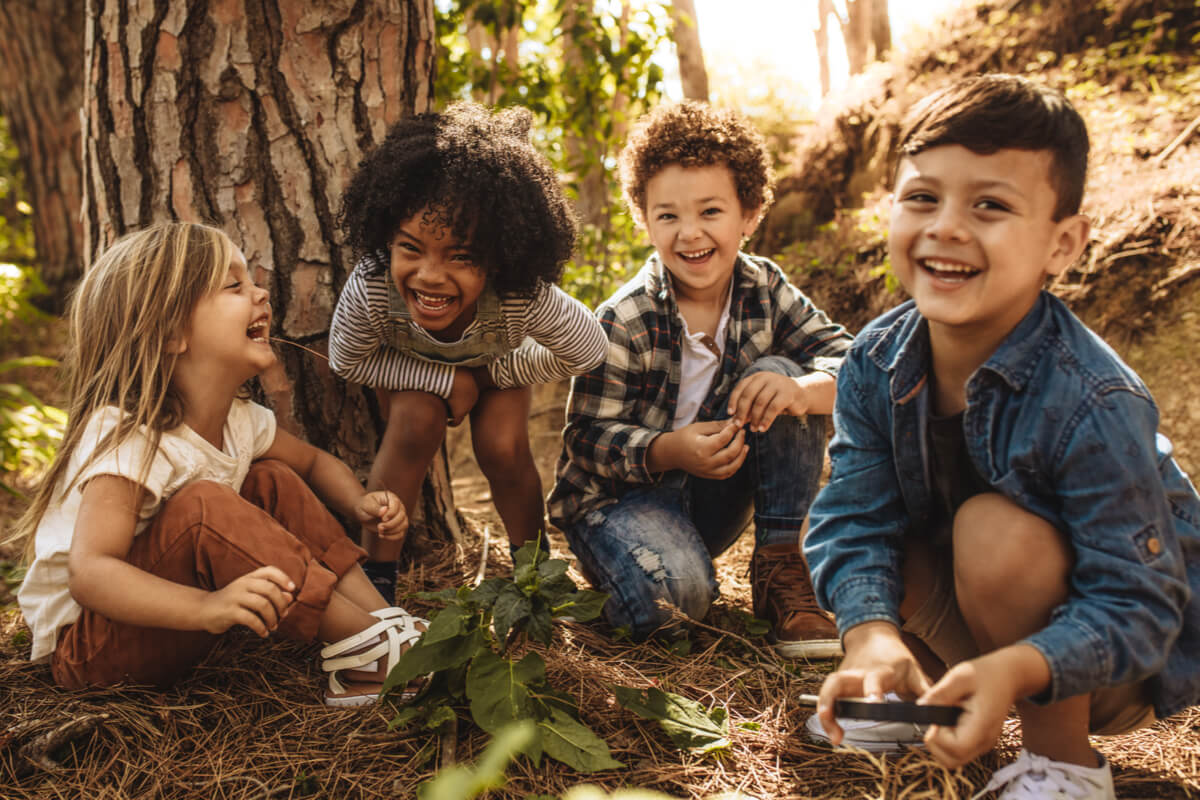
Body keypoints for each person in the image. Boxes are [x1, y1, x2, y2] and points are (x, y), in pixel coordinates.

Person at [804, 74, 1200, 798]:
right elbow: (853, 516)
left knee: (993, 531)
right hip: (983, 613)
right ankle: (914, 699)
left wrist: (1015, 668)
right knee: (887, 539)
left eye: (990, 205)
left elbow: (1139, 603)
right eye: (923, 197)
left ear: (1063, 244)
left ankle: (1064, 766)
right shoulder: (874, 359)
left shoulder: (1092, 396)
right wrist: (870, 635)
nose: (946, 226)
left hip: (1107, 656)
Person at [8, 223, 426, 706]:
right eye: (234, 286)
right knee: (205, 505)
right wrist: (207, 607)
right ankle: (374, 652)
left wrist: (358, 502)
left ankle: (380, 625)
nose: (261, 293)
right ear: (169, 332)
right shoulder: (130, 435)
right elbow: (91, 573)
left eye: (250, 281)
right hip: (93, 647)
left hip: (170, 621)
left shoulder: (240, 420)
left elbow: (310, 463)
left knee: (272, 479)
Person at [548, 101, 854, 656]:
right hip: (619, 505)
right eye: (668, 216)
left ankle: (782, 566)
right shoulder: (625, 317)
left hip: (713, 496)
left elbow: (853, 362)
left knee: (781, 376)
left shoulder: (765, 288)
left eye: (710, 211)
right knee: (676, 603)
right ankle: (643, 575)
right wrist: (668, 451)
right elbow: (586, 438)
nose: (690, 234)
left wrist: (803, 390)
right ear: (644, 220)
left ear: (751, 213)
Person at [329, 102, 607, 602]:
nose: (431, 275)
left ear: (500, 259)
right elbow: (347, 360)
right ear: (386, 237)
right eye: (410, 248)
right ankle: (376, 589)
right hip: (412, 373)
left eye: (461, 256)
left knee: (502, 446)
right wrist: (444, 381)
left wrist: (493, 373)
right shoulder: (372, 285)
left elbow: (586, 348)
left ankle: (534, 577)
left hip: (497, 369)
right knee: (415, 423)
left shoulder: (521, 294)